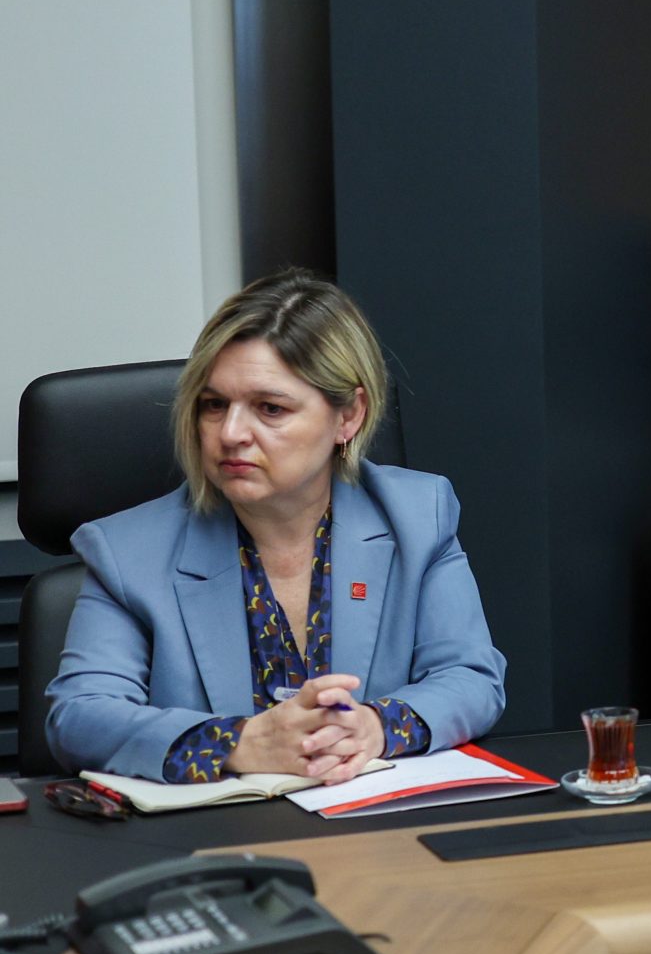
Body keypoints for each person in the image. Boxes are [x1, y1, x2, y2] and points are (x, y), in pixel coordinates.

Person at [48, 270, 507, 782]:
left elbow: (471, 678)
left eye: (270, 408)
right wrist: (241, 743)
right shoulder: (127, 551)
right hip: (216, 826)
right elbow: (79, 717)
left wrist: (375, 727)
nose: (231, 433)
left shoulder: (418, 515)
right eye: (214, 405)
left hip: (368, 819)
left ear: (348, 416)